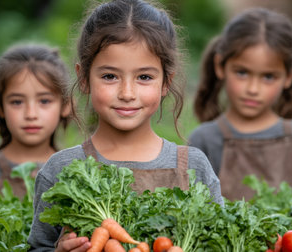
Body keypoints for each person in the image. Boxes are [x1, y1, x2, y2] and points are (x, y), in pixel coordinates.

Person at [28, 0, 223, 251]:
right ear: (84, 78)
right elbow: (38, 246)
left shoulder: (194, 167)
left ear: (166, 82)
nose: (127, 93)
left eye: (144, 77)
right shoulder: (61, 169)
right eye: (110, 76)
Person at [189, 7, 292, 201]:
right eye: (242, 72)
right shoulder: (204, 140)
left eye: (268, 77)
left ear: (288, 77)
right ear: (220, 66)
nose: (253, 89)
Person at [0, 44, 71, 204]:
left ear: (66, 105)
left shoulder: (74, 170)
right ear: (0, 107)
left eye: (44, 101)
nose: (31, 114)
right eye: (17, 102)